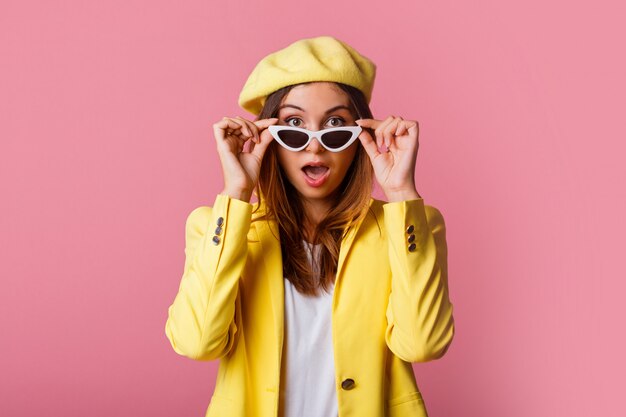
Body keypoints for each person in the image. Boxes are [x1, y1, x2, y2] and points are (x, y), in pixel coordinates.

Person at [164, 35, 455, 417]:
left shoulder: (408, 226)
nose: (314, 146)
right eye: (293, 126)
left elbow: (423, 344)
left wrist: (401, 191)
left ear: (361, 138)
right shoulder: (218, 227)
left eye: (335, 125)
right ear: (268, 138)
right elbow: (197, 342)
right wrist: (236, 192)